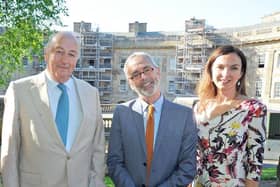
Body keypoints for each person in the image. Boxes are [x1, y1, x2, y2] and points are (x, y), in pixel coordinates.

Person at [0, 31, 106, 187]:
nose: (65, 60)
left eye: (71, 54)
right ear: (46, 54)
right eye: (59, 52)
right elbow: (10, 150)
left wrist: (96, 183)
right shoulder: (19, 90)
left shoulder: (91, 93)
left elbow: (97, 148)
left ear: (77, 59)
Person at [107, 52, 197, 187]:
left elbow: (188, 165)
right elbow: (114, 161)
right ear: (131, 83)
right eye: (135, 75)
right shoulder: (122, 113)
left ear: (158, 72)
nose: (143, 77)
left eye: (147, 70)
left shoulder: (184, 115)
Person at [193, 45, 267, 187]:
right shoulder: (199, 107)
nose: (226, 74)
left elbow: (255, 162)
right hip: (199, 183)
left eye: (234, 68)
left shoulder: (254, 108)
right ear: (210, 70)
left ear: (241, 72)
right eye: (220, 67)